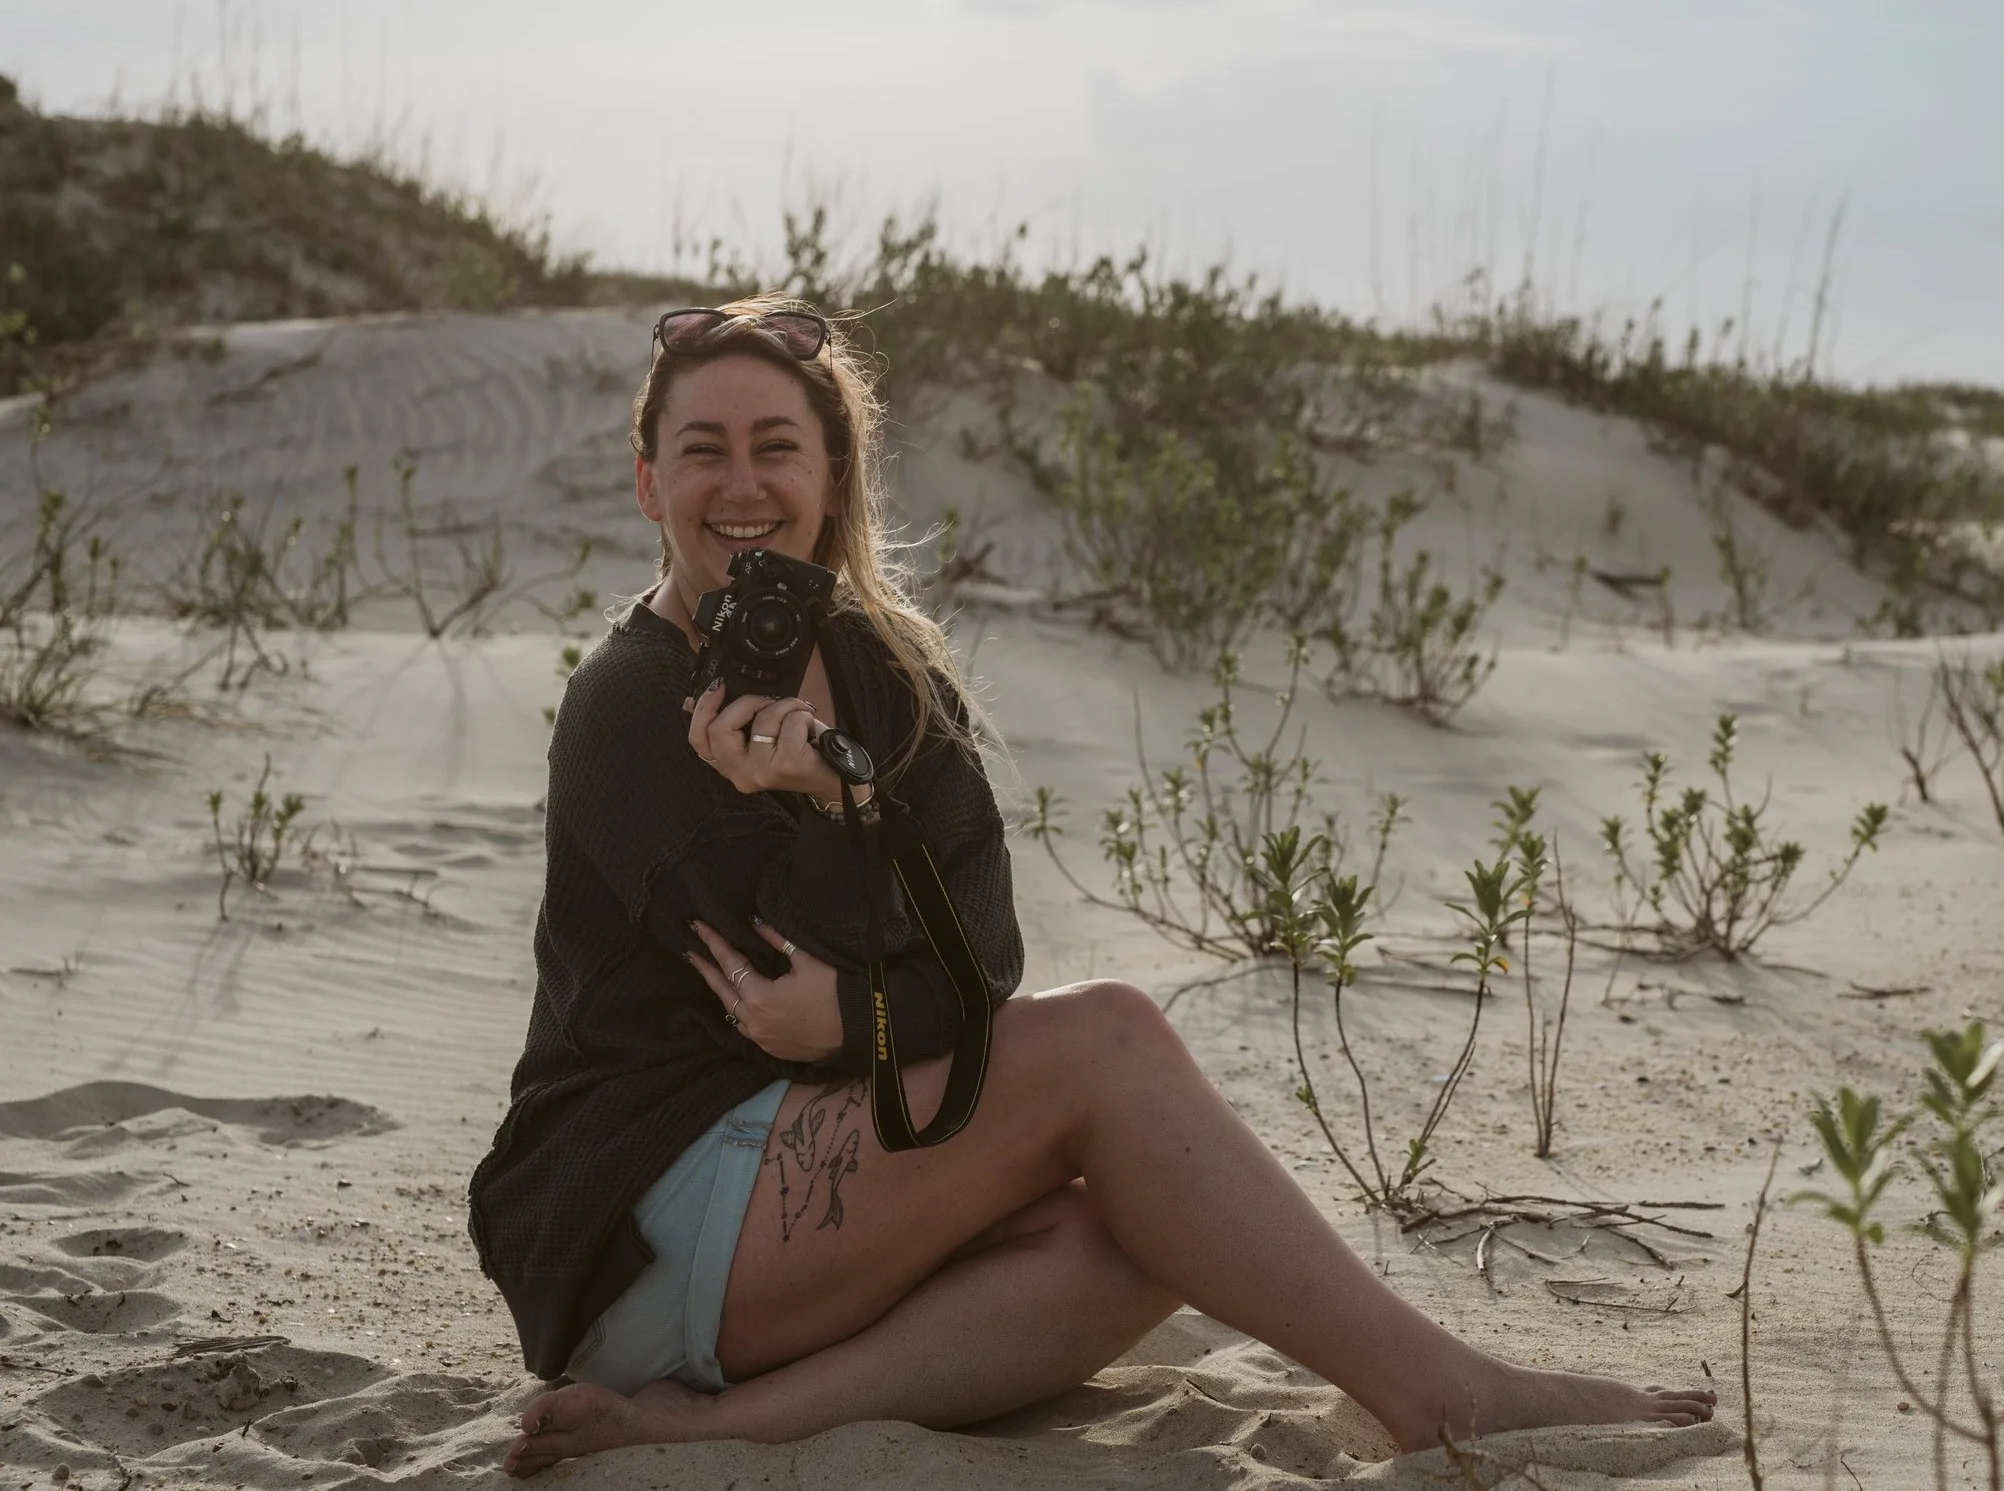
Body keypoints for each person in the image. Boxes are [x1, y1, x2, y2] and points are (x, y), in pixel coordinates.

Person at [469, 296, 1717, 1478]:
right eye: (702, 450)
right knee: (1107, 1037)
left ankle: (730, 1423)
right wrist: (826, 833)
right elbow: (769, 987)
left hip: (814, 1196)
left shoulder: (892, 677)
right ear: (650, 482)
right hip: (642, 1223)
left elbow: (982, 955)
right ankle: (1444, 1390)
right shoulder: (630, 703)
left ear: (832, 476)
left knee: (1143, 1229)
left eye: (775, 447)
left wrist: (860, 1012)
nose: (741, 484)